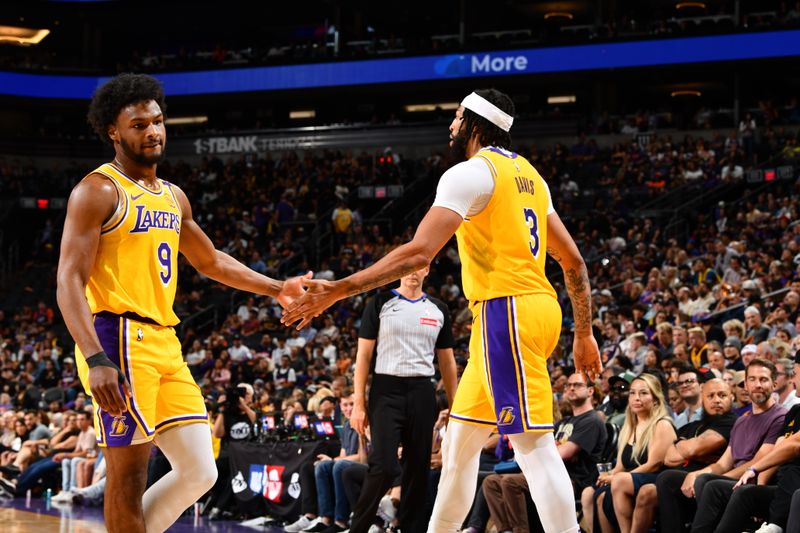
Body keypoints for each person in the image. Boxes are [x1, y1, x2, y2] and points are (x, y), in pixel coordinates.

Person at [283, 88, 602, 533]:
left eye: (456, 118)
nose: (450, 126)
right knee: (459, 443)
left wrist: (340, 288)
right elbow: (574, 262)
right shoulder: (532, 177)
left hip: (505, 311)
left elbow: (418, 253)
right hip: (535, 310)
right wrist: (583, 333)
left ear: (473, 125)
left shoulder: (469, 173)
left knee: (532, 444)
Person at [55, 73, 307, 533]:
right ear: (114, 131)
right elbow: (68, 280)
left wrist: (275, 288)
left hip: (165, 342)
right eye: (138, 125)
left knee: (200, 469)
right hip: (119, 337)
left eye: (157, 122)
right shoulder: (98, 191)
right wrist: (95, 358)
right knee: (127, 480)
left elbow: (210, 261)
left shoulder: (173, 196)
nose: (152, 131)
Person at [348, 266, 457, 533]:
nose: (412, 272)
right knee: (383, 465)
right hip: (386, 389)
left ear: (428, 269)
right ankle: (358, 528)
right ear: (398, 269)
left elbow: (447, 360)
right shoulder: (380, 302)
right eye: (406, 266)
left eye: (418, 266)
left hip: (422, 390)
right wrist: (358, 404)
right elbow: (362, 357)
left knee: (418, 470)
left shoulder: (438, 308)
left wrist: (455, 404)